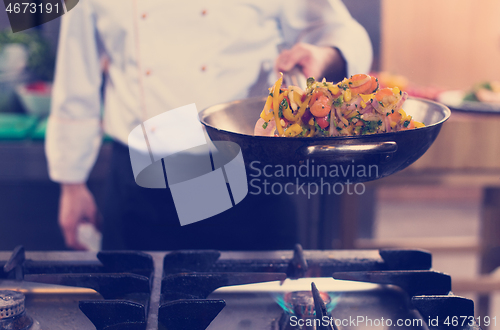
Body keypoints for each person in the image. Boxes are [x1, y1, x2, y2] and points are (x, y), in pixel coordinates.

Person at [46, 0, 372, 250]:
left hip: (247, 174)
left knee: (258, 313)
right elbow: (77, 71)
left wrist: (325, 54)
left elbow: (341, 30)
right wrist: (70, 182)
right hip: (141, 184)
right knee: (134, 310)